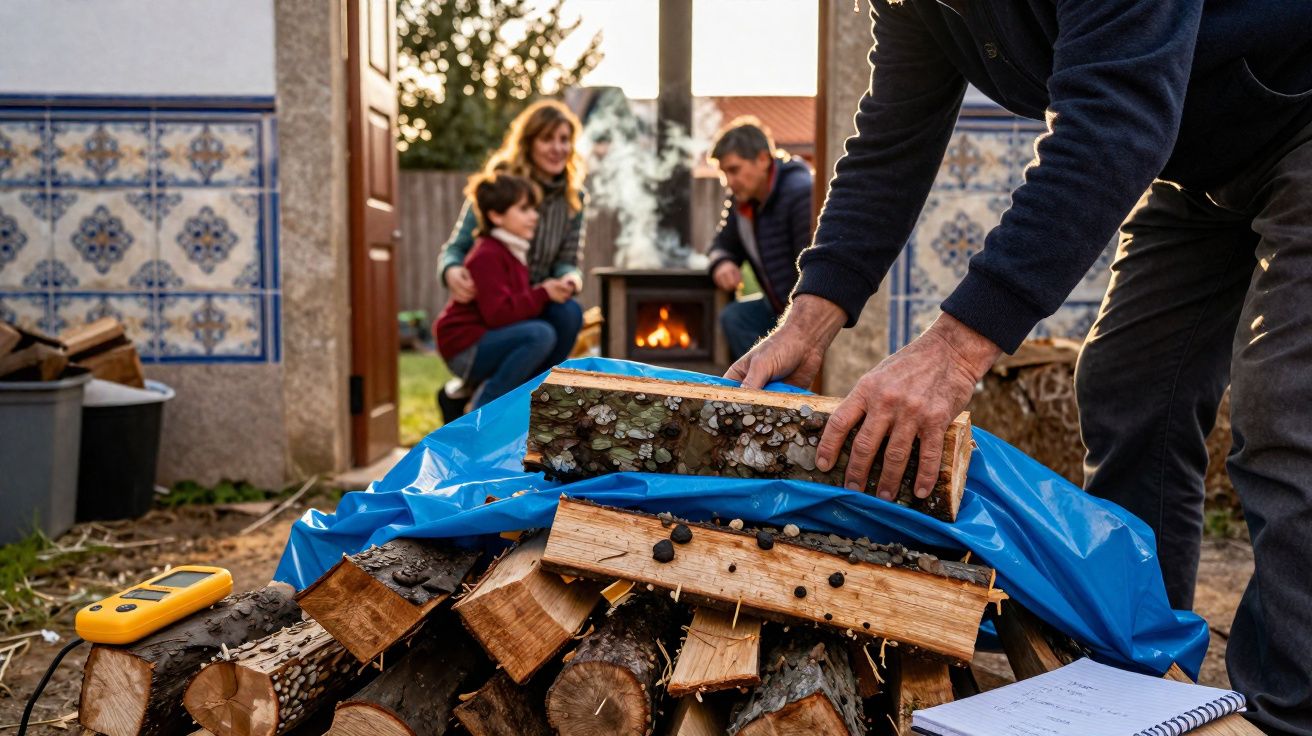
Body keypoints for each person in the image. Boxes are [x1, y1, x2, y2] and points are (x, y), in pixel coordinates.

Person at [728, 3, 1312, 733]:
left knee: (1289, 413)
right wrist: (808, 320)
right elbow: (891, 137)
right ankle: (1137, 684)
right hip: (1195, 161)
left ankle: (1291, 713)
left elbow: (1113, 123)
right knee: (1130, 389)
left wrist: (950, 354)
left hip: (1299, 116)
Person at [437, 100, 587, 417]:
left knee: (568, 313)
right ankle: (490, 406)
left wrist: (570, 278)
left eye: (564, 139)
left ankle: (534, 403)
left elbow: (568, 258)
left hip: (535, 299)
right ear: (529, 142)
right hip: (498, 303)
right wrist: (450, 270)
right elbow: (459, 245)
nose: (558, 148)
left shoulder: (574, 198)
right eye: (548, 139)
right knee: (538, 334)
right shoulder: (501, 186)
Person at [433, 172, 575, 410]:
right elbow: (499, 315)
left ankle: (520, 402)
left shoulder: (512, 251)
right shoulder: (487, 254)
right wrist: (542, 293)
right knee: (540, 334)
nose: (534, 216)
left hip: (483, 338)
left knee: (548, 327)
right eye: (524, 209)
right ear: (496, 216)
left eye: (534, 209)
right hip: (464, 346)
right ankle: (483, 408)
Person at [705, 118, 813, 361]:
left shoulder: (800, 193)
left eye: (734, 170)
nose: (729, 182)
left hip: (804, 312)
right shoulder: (742, 202)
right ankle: (759, 385)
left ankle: (774, 387)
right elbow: (720, 244)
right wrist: (722, 261)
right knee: (735, 317)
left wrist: (797, 324)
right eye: (724, 173)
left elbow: (811, 267)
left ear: (763, 159)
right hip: (776, 306)